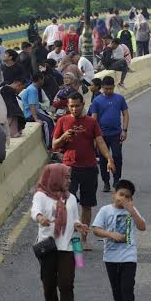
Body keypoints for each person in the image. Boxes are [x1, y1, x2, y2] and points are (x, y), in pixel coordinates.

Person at [31, 163, 89, 301]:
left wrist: (79, 225)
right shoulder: (41, 195)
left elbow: (74, 218)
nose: (68, 181)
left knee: (66, 285)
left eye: (69, 177)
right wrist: (40, 218)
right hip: (48, 247)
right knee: (48, 285)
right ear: (55, 177)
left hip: (68, 246)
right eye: (65, 177)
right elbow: (35, 211)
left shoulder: (70, 198)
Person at [53, 92, 115, 249]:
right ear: (68, 106)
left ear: (83, 105)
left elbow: (100, 141)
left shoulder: (91, 122)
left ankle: (83, 239)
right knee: (68, 204)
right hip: (69, 168)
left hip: (89, 168)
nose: (74, 109)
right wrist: (64, 137)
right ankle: (68, 236)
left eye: (77, 106)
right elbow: (54, 145)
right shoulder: (62, 121)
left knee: (87, 205)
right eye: (71, 106)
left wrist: (108, 158)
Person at [91, 179, 146, 301]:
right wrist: (110, 234)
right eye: (120, 194)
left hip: (128, 256)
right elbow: (95, 229)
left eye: (127, 197)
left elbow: (142, 227)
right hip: (110, 256)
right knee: (116, 289)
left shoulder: (132, 210)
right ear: (114, 194)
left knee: (127, 288)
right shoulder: (105, 210)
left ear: (131, 199)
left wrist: (132, 211)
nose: (122, 198)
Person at [89, 76, 129, 192]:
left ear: (114, 87)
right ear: (102, 88)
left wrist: (124, 130)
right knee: (103, 159)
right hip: (101, 135)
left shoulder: (119, 99)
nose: (108, 91)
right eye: (106, 89)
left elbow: (125, 114)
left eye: (110, 89)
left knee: (117, 156)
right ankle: (106, 182)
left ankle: (116, 179)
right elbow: (94, 119)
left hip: (116, 133)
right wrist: (94, 137)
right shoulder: (97, 101)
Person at [21, 73, 54, 149]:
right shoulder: (32, 89)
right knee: (47, 122)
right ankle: (49, 146)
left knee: (50, 120)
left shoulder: (33, 88)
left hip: (33, 112)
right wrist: (36, 118)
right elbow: (31, 105)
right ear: (39, 79)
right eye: (42, 79)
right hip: (29, 114)